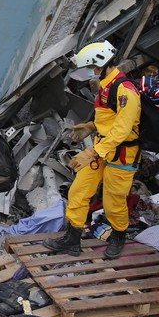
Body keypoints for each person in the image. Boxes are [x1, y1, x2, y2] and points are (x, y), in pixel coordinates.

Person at [44, 40, 141, 259]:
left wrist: (93, 152)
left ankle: (118, 236)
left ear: (102, 65)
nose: (90, 73)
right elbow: (110, 120)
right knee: (78, 191)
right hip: (101, 150)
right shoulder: (105, 86)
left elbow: (122, 131)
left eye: (92, 68)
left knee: (113, 202)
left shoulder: (126, 92)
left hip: (121, 156)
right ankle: (72, 239)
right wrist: (90, 126)